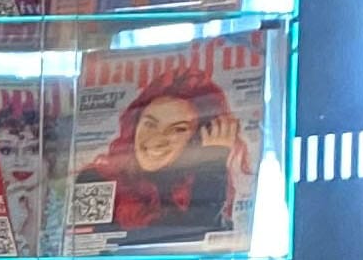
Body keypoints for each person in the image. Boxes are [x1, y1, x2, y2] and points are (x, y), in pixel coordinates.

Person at [77, 70, 241, 245]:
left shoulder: (201, 186)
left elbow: (200, 239)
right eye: (150, 124)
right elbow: (87, 246)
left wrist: (211, 166)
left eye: (178, 129)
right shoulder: (95, 178)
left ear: (196, 139)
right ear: (134, 125)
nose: (156, 140)